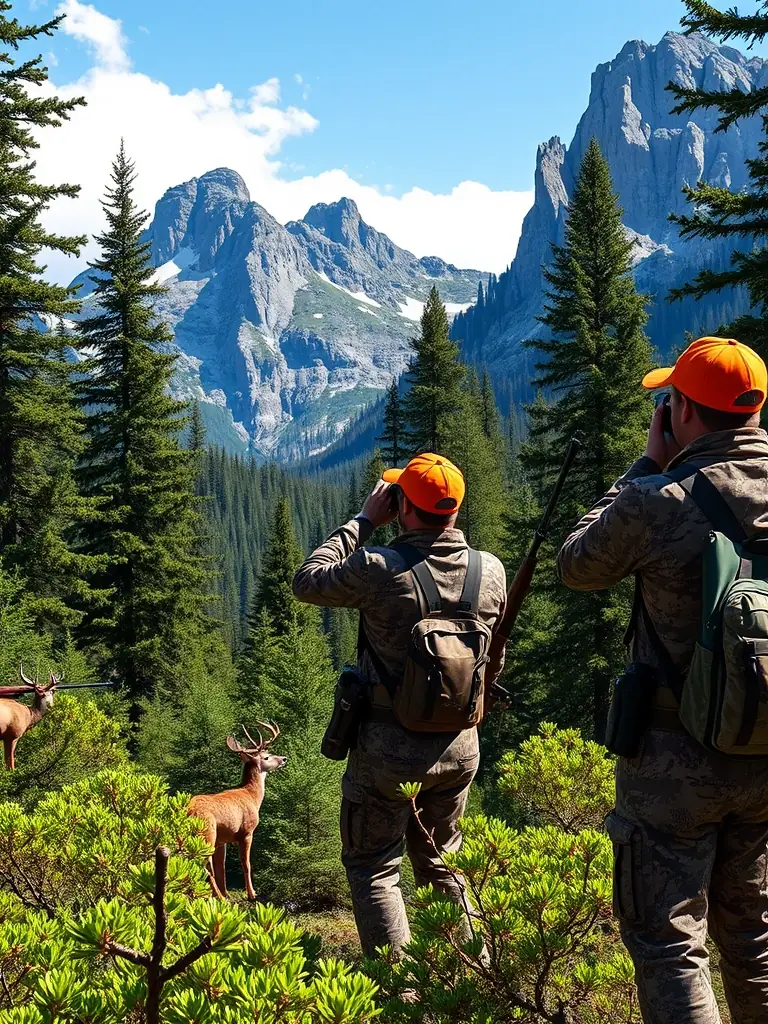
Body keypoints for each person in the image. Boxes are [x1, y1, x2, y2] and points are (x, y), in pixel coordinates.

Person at [557, 336, 768, 1024]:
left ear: (682, 411)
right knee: (757, 940)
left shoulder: (659, 499)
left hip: (673, 763)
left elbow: (577, 563)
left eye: (671, 399)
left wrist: (647, 463)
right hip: (766, 752)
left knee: (670, 945)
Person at [292, 452, 507, 957]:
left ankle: (400, 991)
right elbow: (492, 661)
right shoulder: (491, 571)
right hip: (459, 749)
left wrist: (365, 520)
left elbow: (308, 580)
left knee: (374, 866)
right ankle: (475, 976)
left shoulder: (379, 567)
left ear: (403, 507)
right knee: (443, 861)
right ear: (455, 509)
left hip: (387, 752)